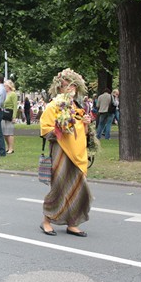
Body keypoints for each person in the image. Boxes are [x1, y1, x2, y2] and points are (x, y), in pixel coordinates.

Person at [39, 69, 92, 237]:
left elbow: (83, 131)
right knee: (60, 186)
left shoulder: (77, 106)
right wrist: (60, 128)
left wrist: (86, 123)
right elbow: (45, 129)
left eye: (74, 86)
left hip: (79, 153)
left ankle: (72, 223)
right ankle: (46, 221)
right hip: (61, 151)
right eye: (67, 86)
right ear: (59, 88)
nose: (71, 89)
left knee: (79, 188)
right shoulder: (54, 105)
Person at [2, 80, 18, 154]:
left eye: (5, 86)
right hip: (3, 113)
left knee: (10, 132)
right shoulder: (4, 94)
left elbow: (15, 106)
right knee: (4, 132)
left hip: (10, 113)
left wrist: (14, 116)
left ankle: (11, 148)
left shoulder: (13, 94)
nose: (4, 87)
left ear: (9, 86)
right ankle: (8, 147)